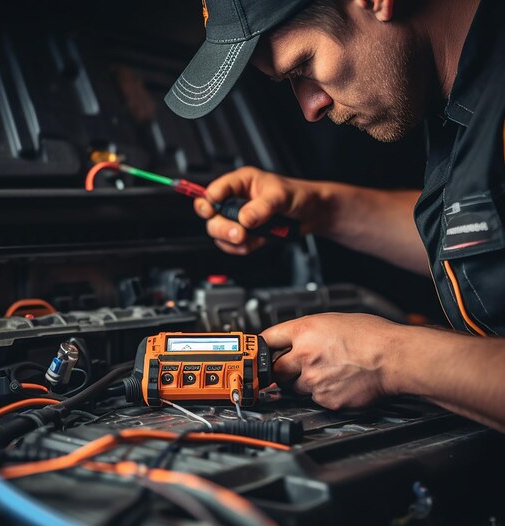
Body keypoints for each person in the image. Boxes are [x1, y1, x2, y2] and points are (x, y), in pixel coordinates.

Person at [164, 0, 505, 430]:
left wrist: (388, 359)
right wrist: (319, 208)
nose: (311, 108)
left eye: (304, 66)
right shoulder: (461, 100)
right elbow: (485, 234)